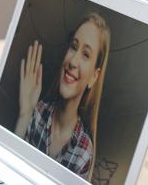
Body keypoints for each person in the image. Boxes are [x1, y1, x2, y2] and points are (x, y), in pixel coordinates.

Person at [14, 12, 111, 180]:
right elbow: (9, 170)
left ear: (94, 77)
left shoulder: (84, 152)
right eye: (74, 46)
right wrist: (25, 113)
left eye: (86, 54)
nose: (73, 62)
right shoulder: (36, 113)